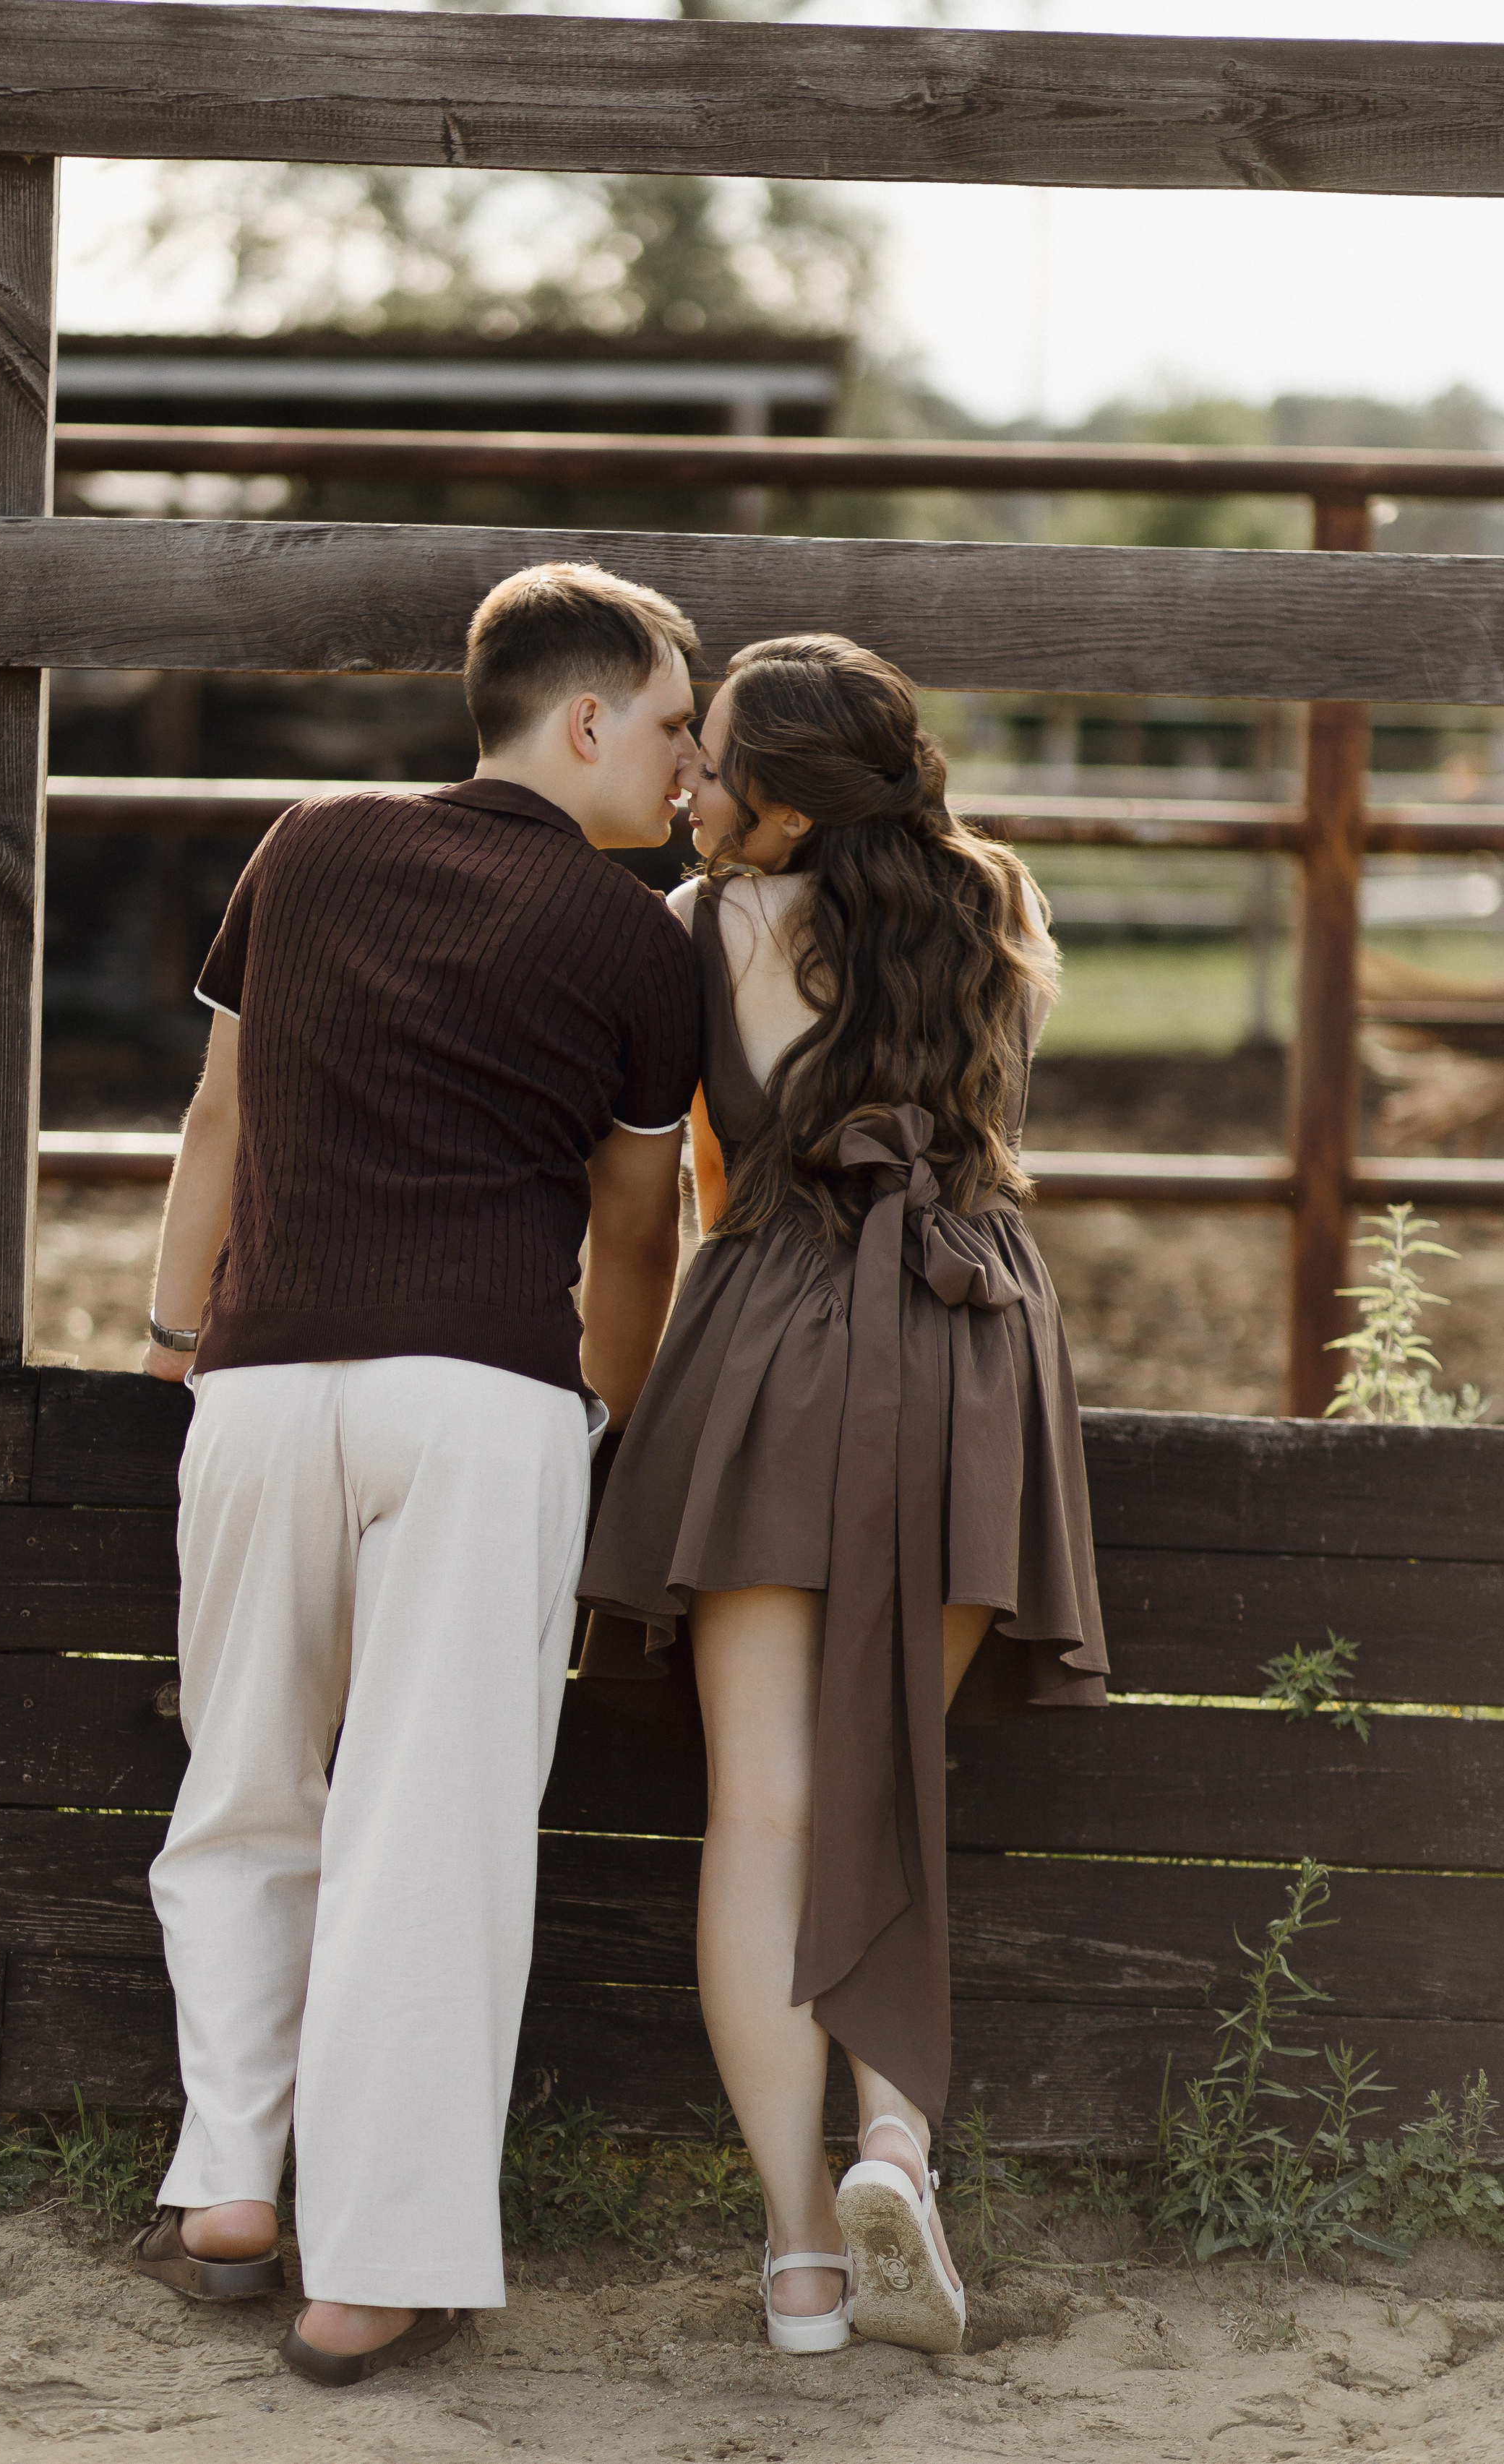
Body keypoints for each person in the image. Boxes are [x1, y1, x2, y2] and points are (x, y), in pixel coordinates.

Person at [135, 561, 702, 2385]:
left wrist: (171, 1344)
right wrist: (601, 1421)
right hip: (477, 1402)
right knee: (427, 1829)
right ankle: (366, 2270)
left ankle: (228, 2183)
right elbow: (635, 1237)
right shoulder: (637, 940)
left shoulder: (302, 845)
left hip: (261, 1383)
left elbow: (217, 1119)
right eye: (678, 725)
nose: (692, 770)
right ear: (587, 718)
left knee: (239, 1780)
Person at [580, 635, 1107, 2358]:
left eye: (715, 765)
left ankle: (801, 2259)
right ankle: (897, 2140)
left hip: (773, 1337)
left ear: (784, 800)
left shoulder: (700, 929)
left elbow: (688, 1186)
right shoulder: (995, 911)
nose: (690, 786)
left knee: (766, 1809)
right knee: (894, 1766)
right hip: (963, 1342)